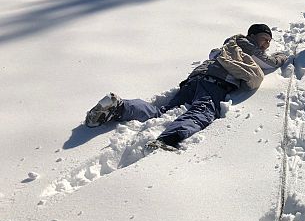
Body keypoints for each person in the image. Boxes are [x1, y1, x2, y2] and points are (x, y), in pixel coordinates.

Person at [85, 24, 288, 149]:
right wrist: (283, 57)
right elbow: (268, 63)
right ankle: (168, 139)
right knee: (204, 111)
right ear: (253, 35)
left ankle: (119, 106)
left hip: (195, 79)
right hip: (215, 82)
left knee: (161, 111)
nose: (266, 45)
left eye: (269, 42)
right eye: (264, 39)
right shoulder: (247, 45)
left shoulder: (228, 45)